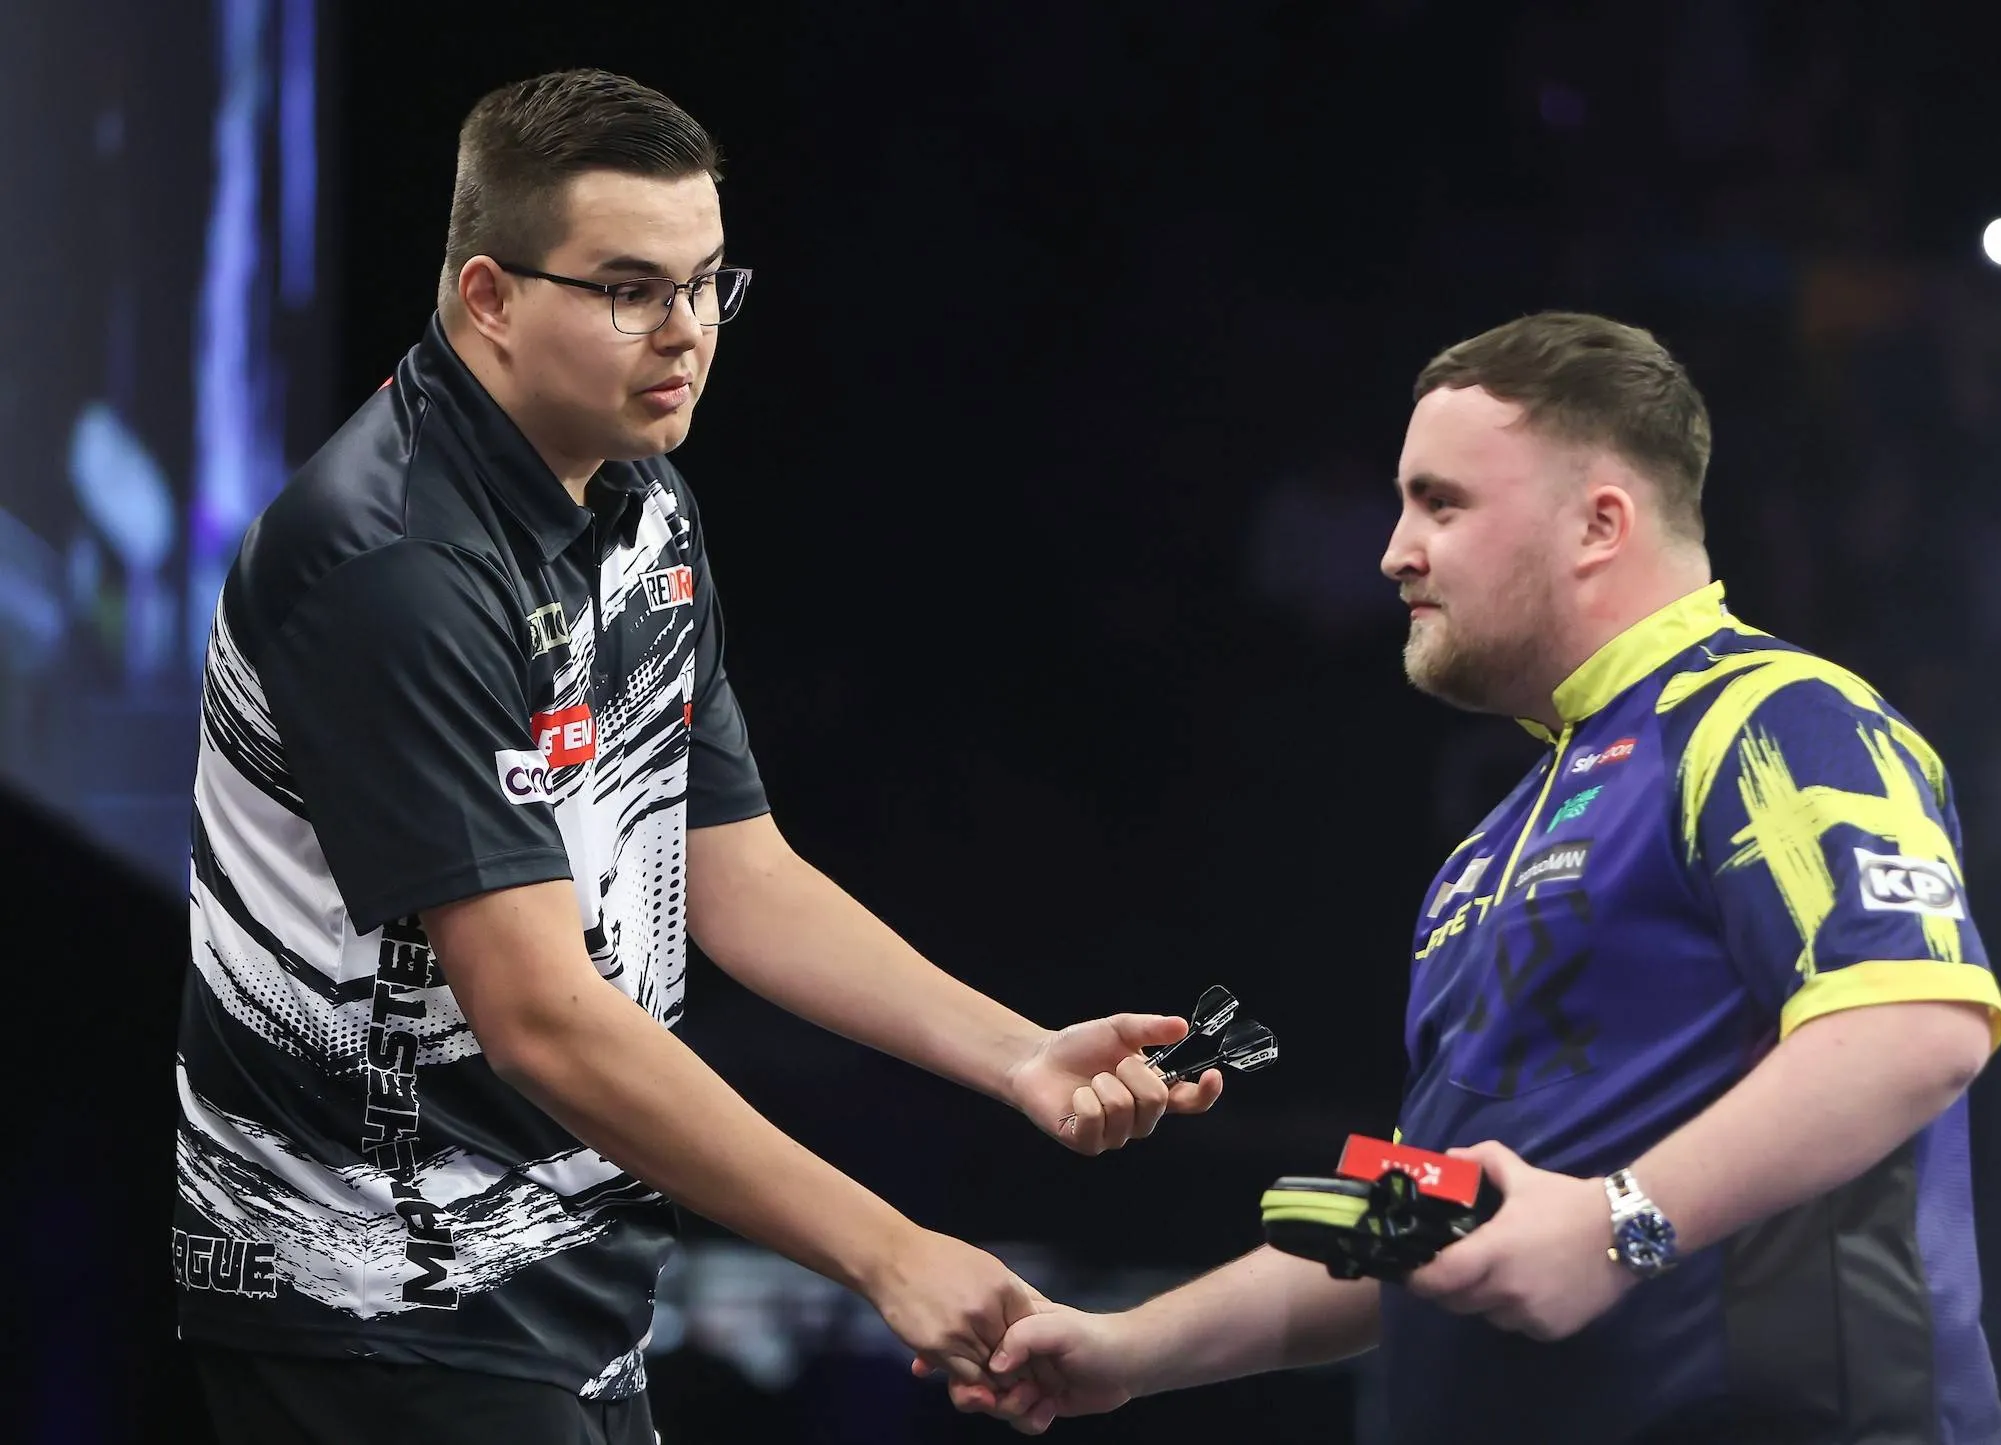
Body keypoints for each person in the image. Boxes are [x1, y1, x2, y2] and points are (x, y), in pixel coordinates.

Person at [172, 69, 1222, 1445]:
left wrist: (1016, 1054)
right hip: (377, 1316)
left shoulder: (642, 496)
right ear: (487, 296)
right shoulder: (394, 567)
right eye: (628, 289)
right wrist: (883, 1248)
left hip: (573, 1303)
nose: (685, 335)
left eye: (707, 284)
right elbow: (540, 1014)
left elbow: (730, 872)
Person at [940, 312, 2001, 1443]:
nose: (1394, 550)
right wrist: (1129, 1346)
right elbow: (1428, 1226)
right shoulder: (1489, 848)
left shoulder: (1773, 716)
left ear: (1600, 524)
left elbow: (1916, 1024)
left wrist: (1618, 1223)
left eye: (1441, 503)